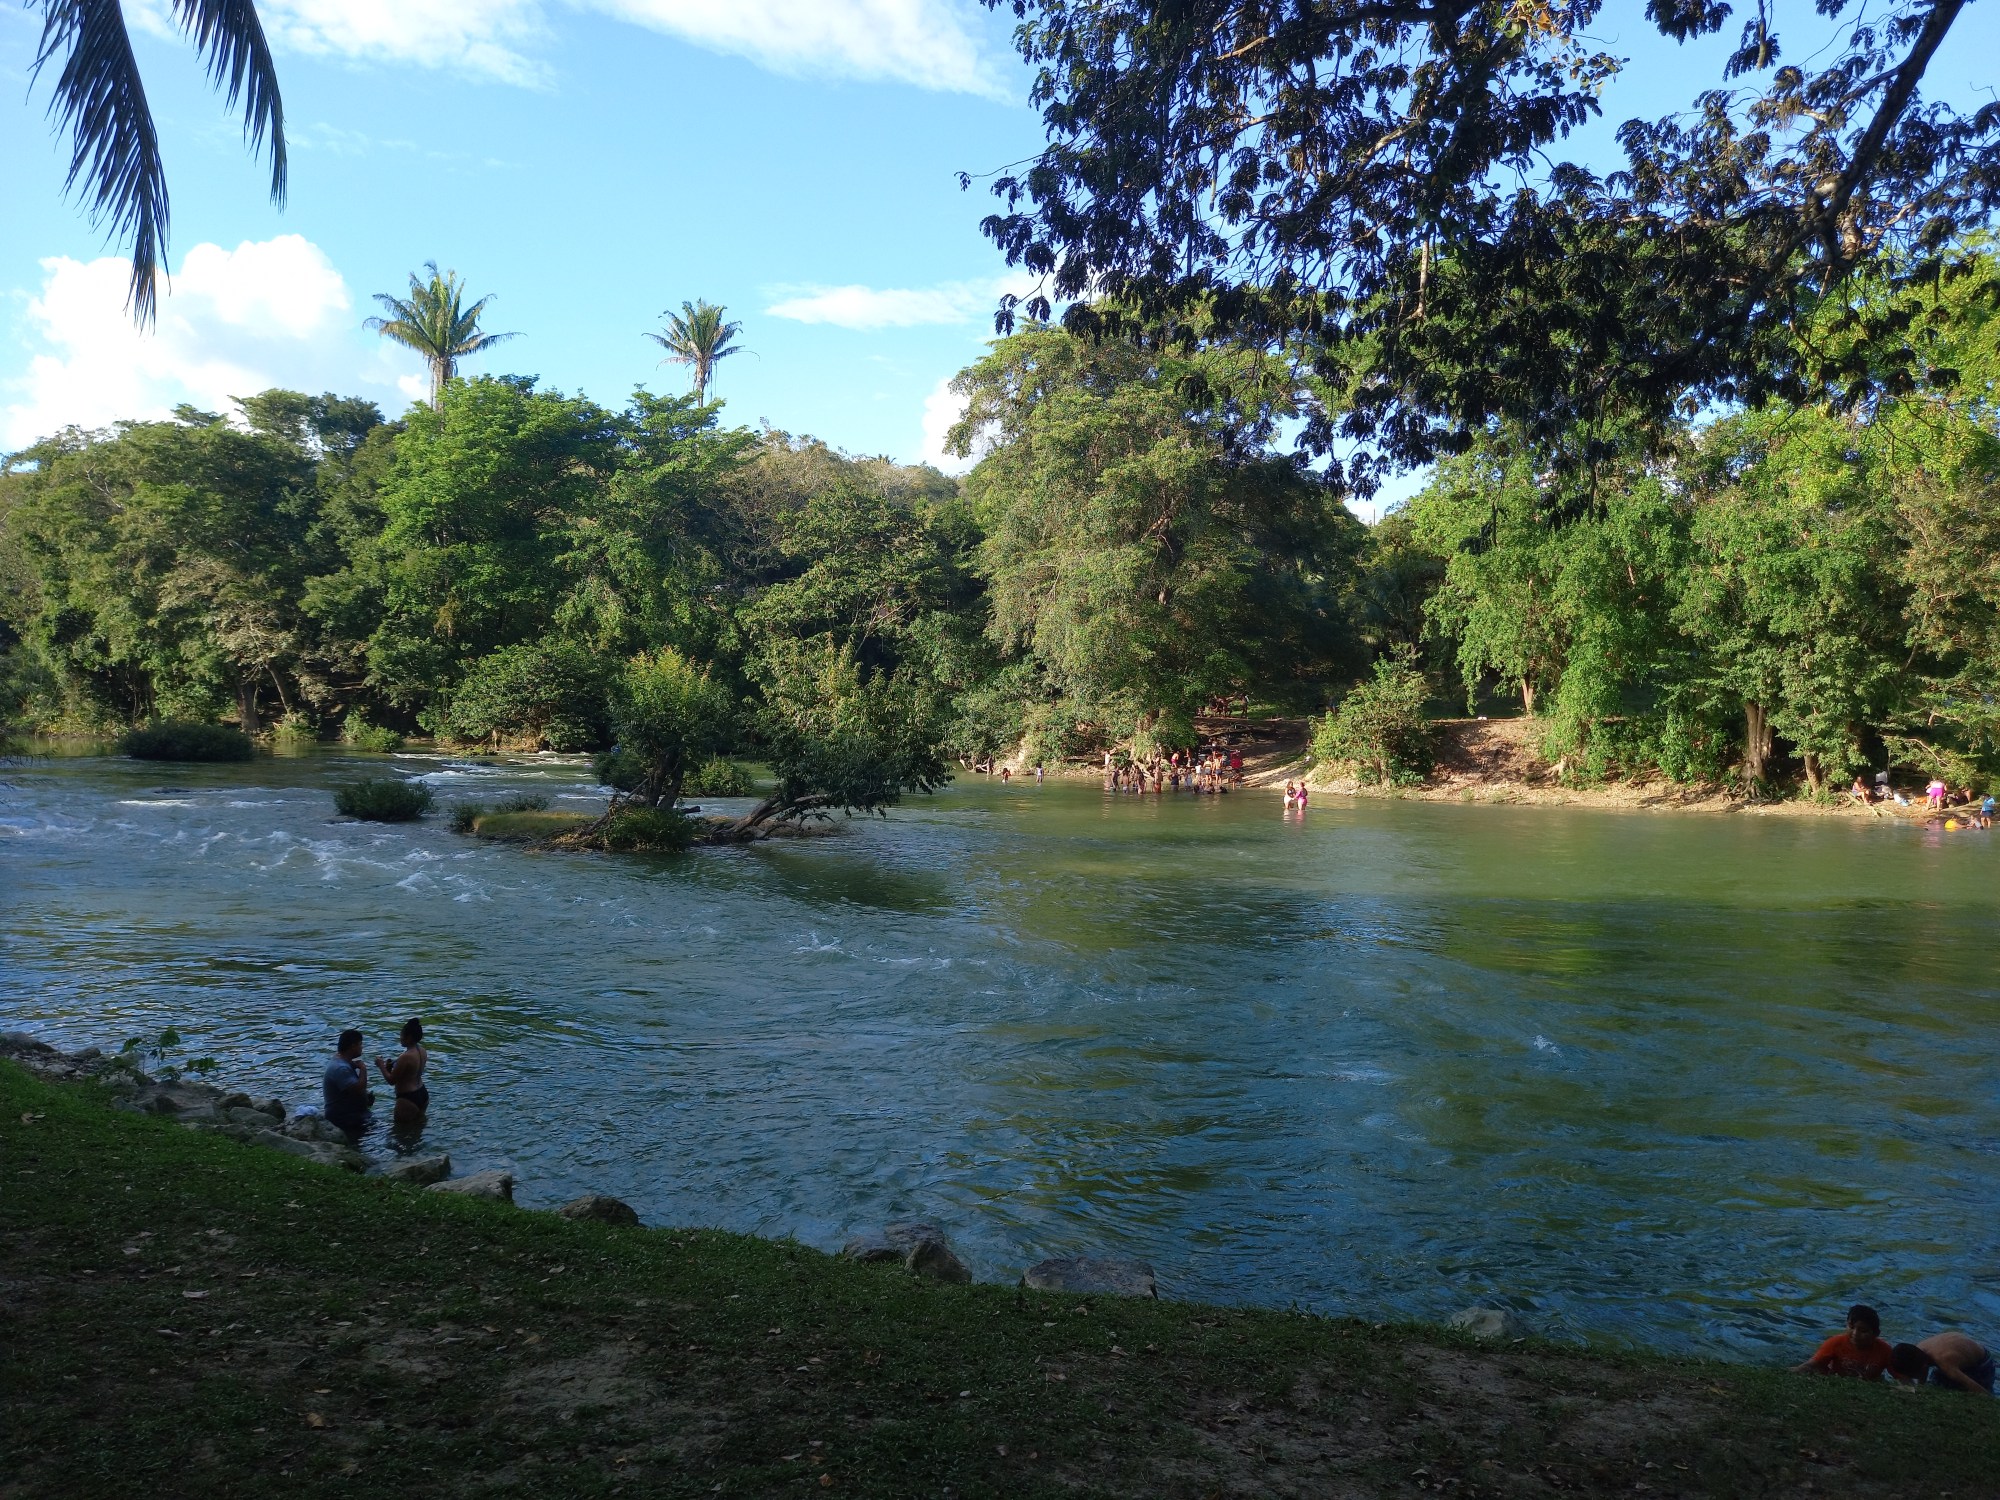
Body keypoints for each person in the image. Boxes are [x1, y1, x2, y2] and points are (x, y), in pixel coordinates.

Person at [1794, 1304, 1895, 1380]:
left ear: (1876, 1333)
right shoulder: (1835, 1343)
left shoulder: (1885, 1351)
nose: (1855, 1333)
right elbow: (1812, 1364)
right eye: (1851, 1327)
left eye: (1863, 1331)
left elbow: (1899, 1376)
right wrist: (1794, 1371)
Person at [1888, 1332, 1996, 1395]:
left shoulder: (1944, 1362)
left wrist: (1989, 1400)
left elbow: (1974, 1387)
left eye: (1912, 1376)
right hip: (1959, 1352)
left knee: (1954, 1388)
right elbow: (1923, 1368)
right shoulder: (1919, 1349)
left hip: (1982, 1364)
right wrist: (1920, 1388)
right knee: (1936, 1383)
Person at [376, 1017, 429, 1127]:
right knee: (417, 1131)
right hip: (422, 1093)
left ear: (408, 1037)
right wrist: (390, 1067)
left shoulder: (405, 1057)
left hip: (408, 1098)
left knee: (400, 1133)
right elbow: (409, 1073)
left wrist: (381, 1065)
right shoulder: (422, 1051)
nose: (400, 1038)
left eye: (401, 1035)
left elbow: (391, 1080)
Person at [322, 1029, 373, 1137]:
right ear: (353, 1046)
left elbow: (352, 1091)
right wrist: (363, 1068)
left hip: (353, 1115)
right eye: (360, 1044)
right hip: (345, 1119)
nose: (362, 1047)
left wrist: (365, 1098)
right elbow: (359, 1089)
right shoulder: (341, 1068)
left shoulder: (342, 1061)